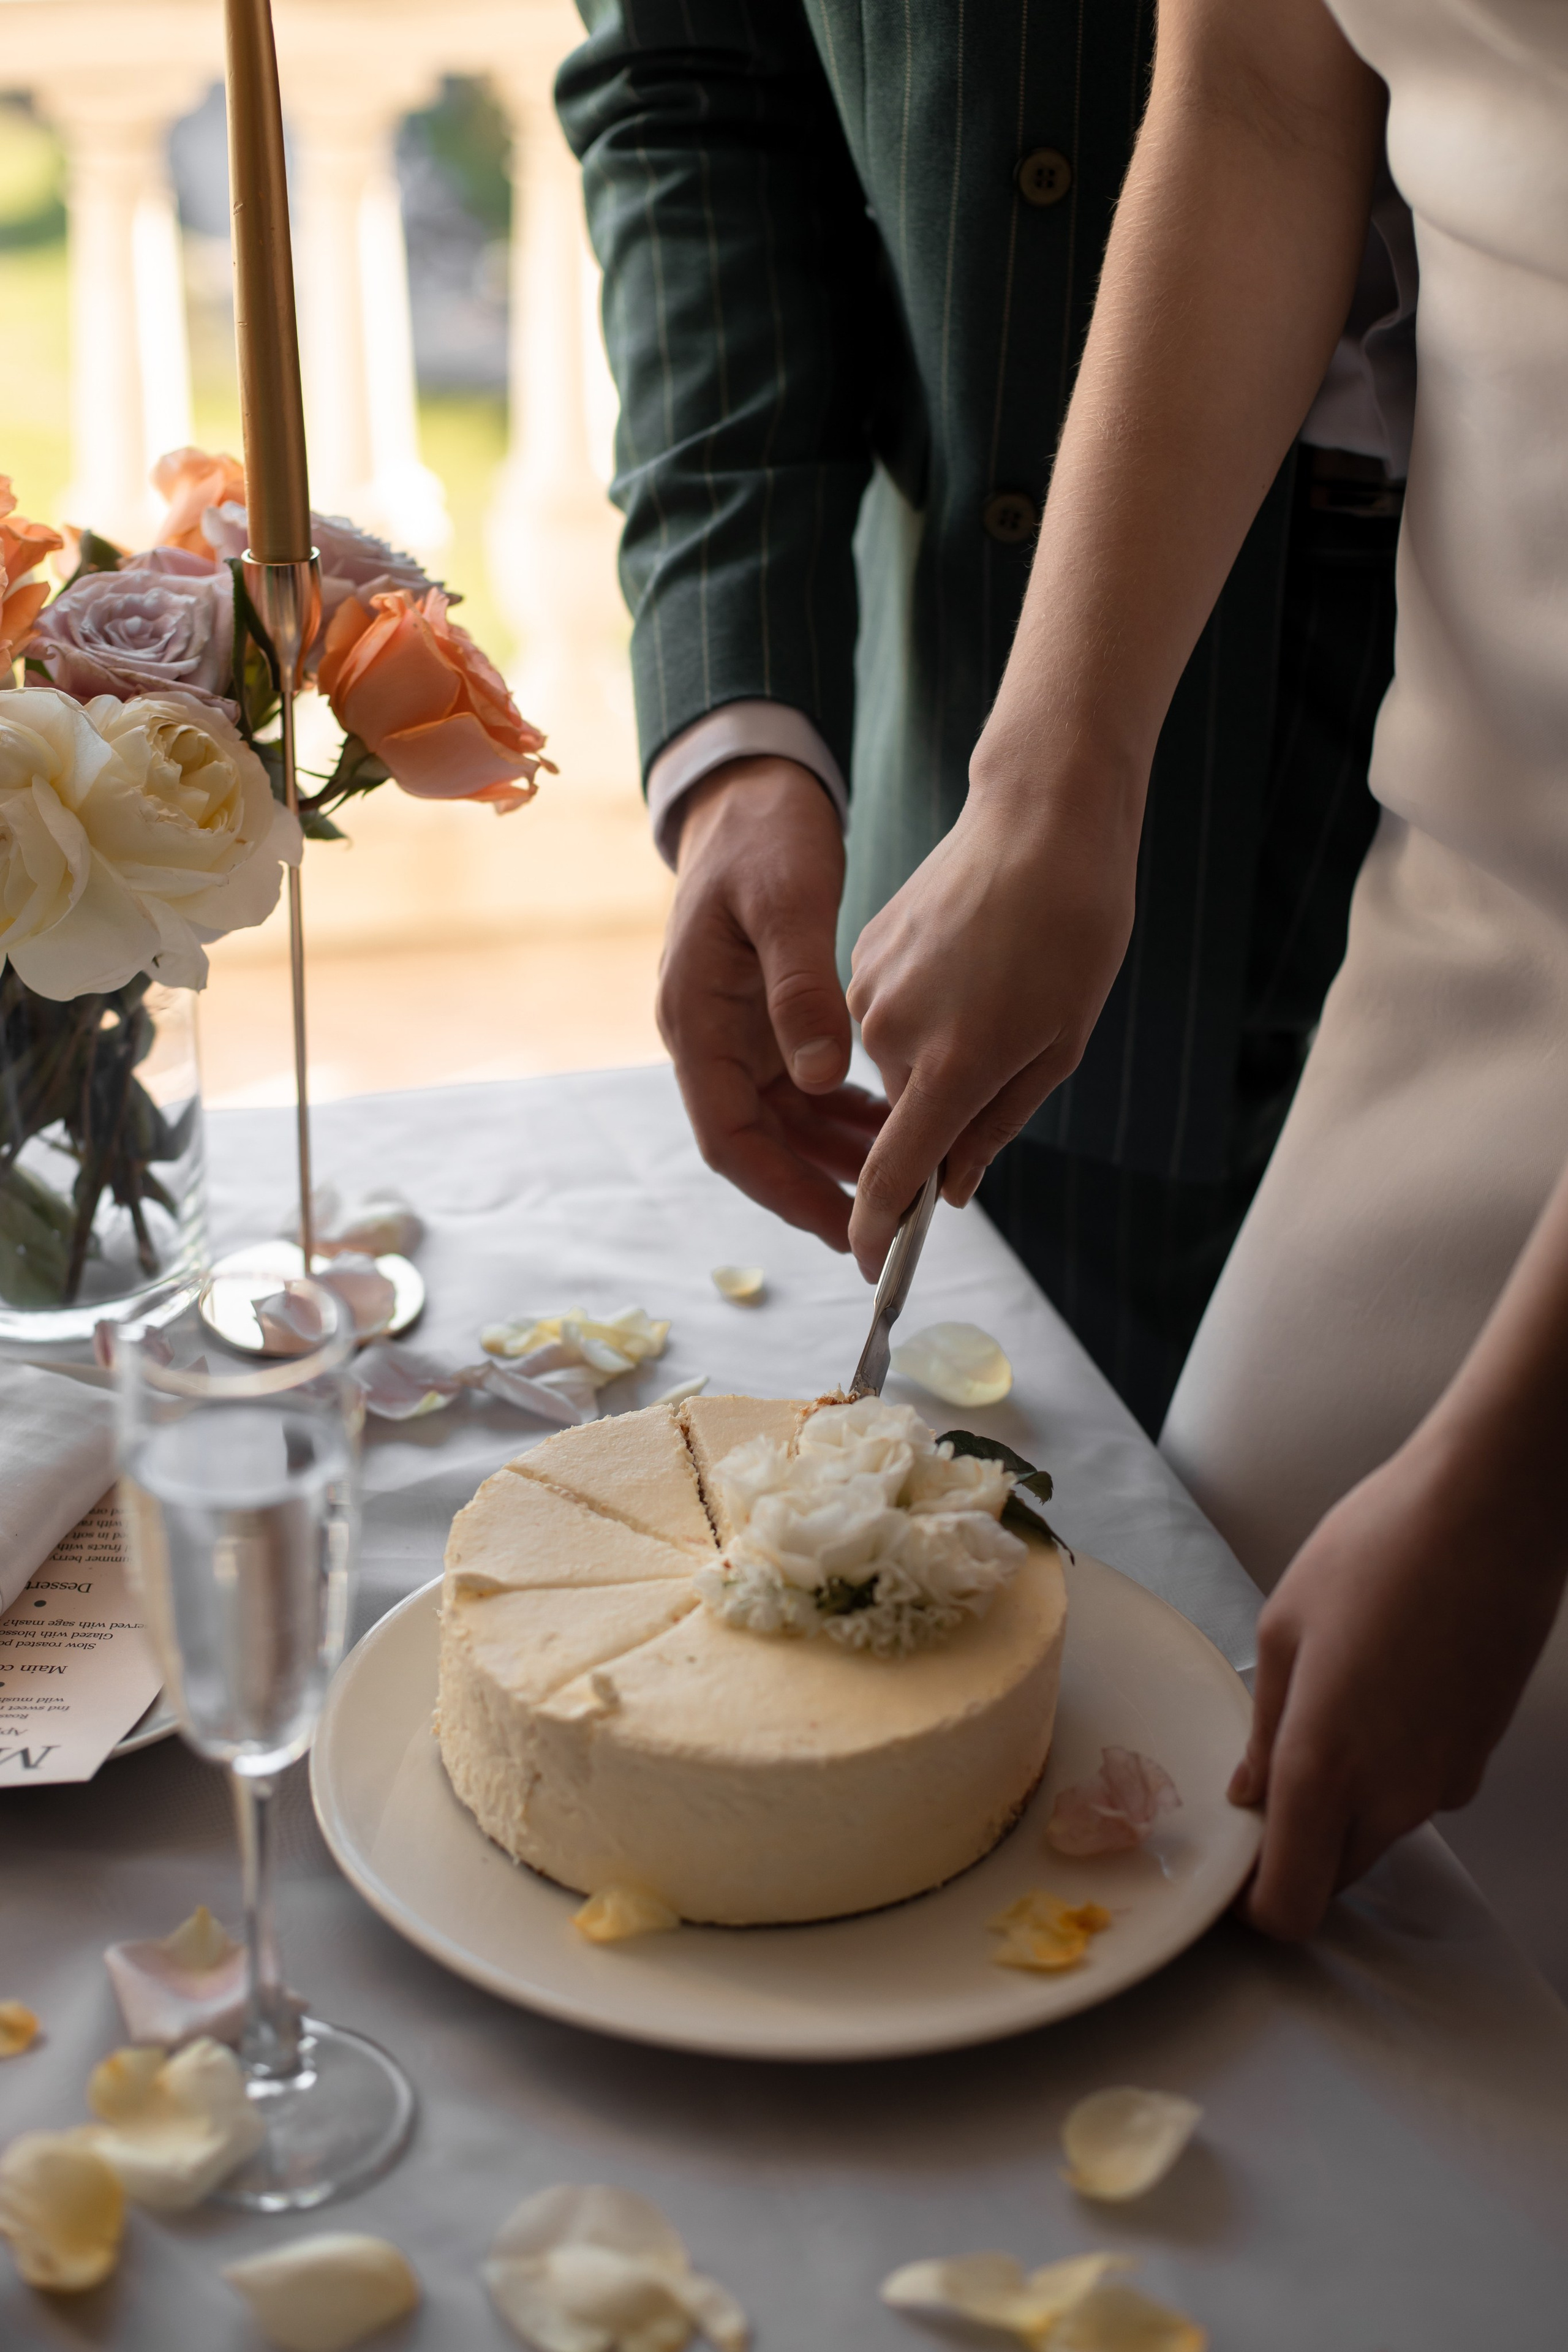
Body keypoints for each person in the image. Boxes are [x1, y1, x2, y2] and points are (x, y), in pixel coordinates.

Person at [843, 0, 1568, 1962]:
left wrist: (1517, 1485)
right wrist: (1049, 783)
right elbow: (1254, 80)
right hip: (1459, 905)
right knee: (1204, 1781)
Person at [556, 1, 1409, 1434]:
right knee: (1056, 1501)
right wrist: (739, 745)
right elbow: (690, 69)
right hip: (1008, 678)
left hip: (1491, 648)